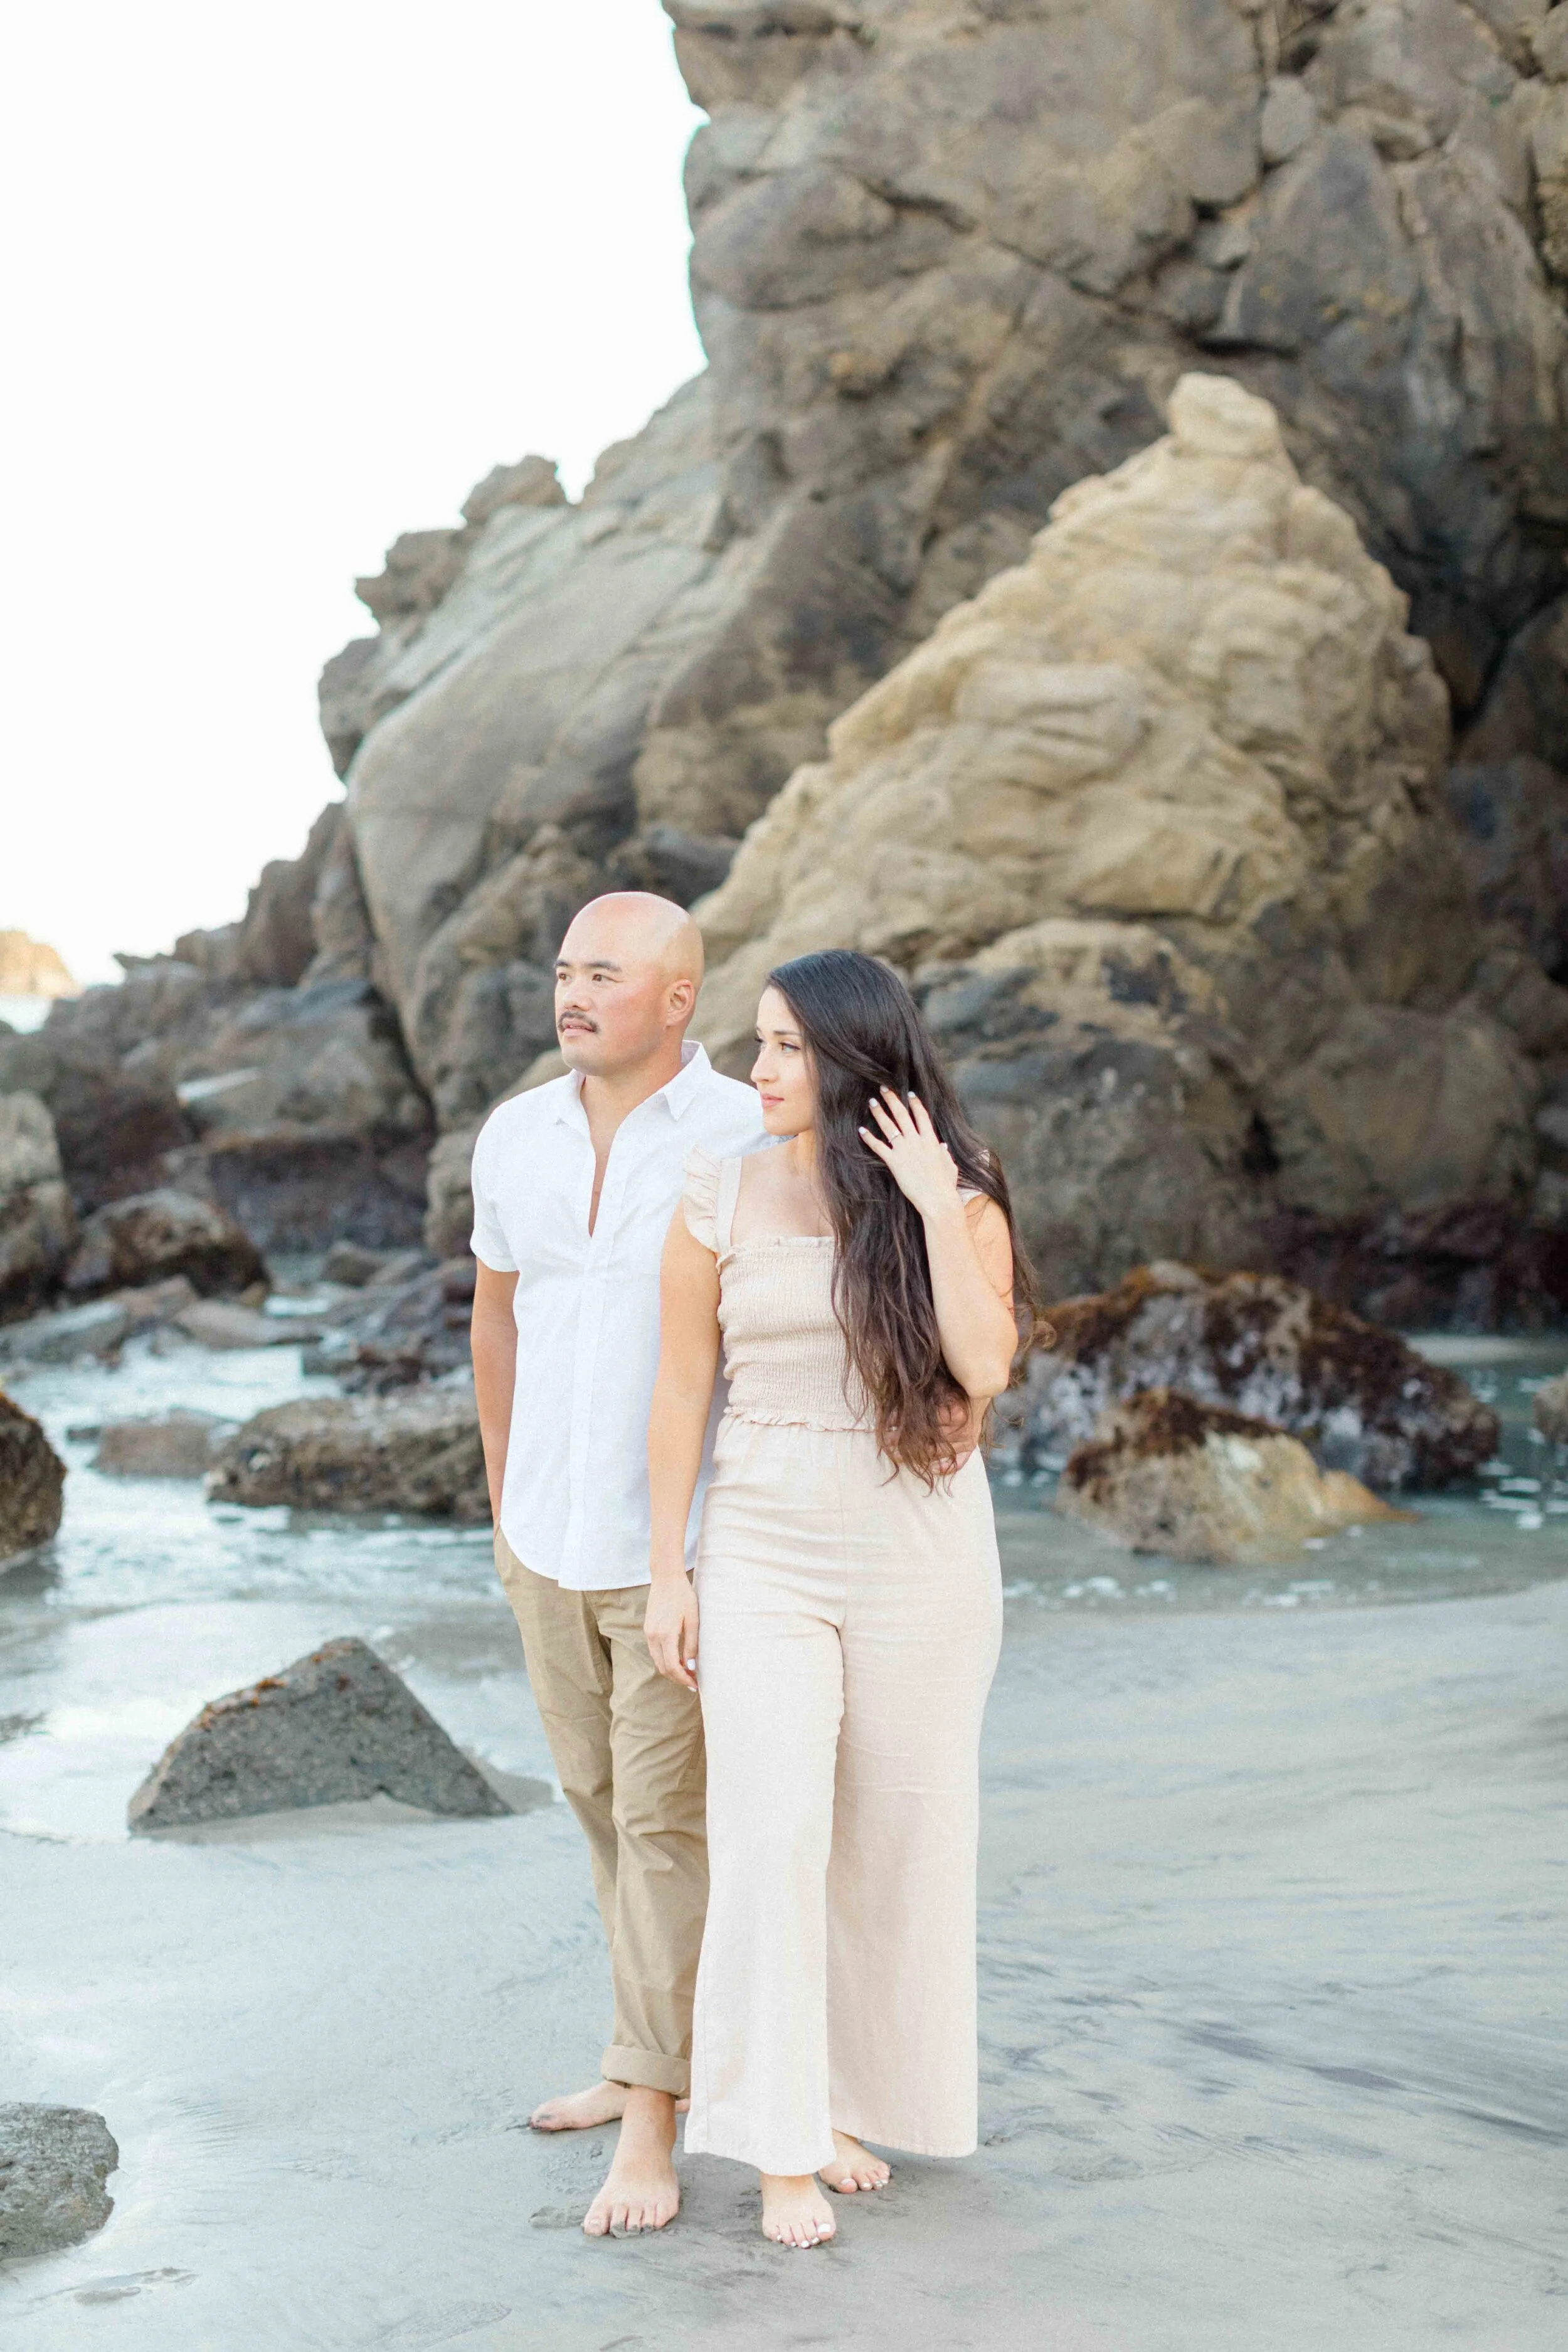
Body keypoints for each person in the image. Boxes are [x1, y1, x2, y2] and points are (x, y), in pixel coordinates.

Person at [645, 948, 1034, 2248]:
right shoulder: (715, 1193)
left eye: (786, 1049)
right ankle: (777, 2147)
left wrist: (930, 1204)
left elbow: (980, 1370)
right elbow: (679, 1395)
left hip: (920, 1541)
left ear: (856, 1058)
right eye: (755, 1044)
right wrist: (666, 1569)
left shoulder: (957, 1197)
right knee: (769, 1831)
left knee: (897, 1836)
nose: (757, 1072)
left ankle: (852, 2097)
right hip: (761, 1539)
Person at [469, 891, 766, 2237]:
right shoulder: (510, 1137)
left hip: (683, 1550)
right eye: (561, 972)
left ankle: (653, 2122)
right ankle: (647, 2054)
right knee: (596, 1808)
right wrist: (498, 1507)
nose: (570, 994)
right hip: (544, 1537)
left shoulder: (746, 1130)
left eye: (603, 974)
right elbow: (496, 1326)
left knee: (663, 1830)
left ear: (675, 1000)